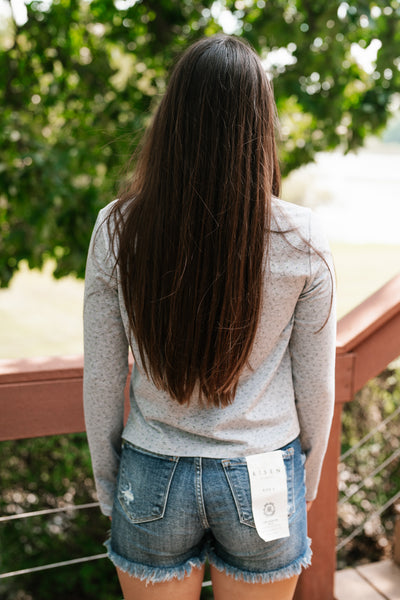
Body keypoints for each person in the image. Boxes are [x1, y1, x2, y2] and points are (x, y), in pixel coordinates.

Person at [83, 34, 336, 600]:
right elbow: (315, 386)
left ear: (172, 117)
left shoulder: (118, 228)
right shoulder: (303, 238)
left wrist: (110, 484)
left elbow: (102, 377)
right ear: (259, 125)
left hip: (151, 476)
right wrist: (307, 480)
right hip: (265, 478)